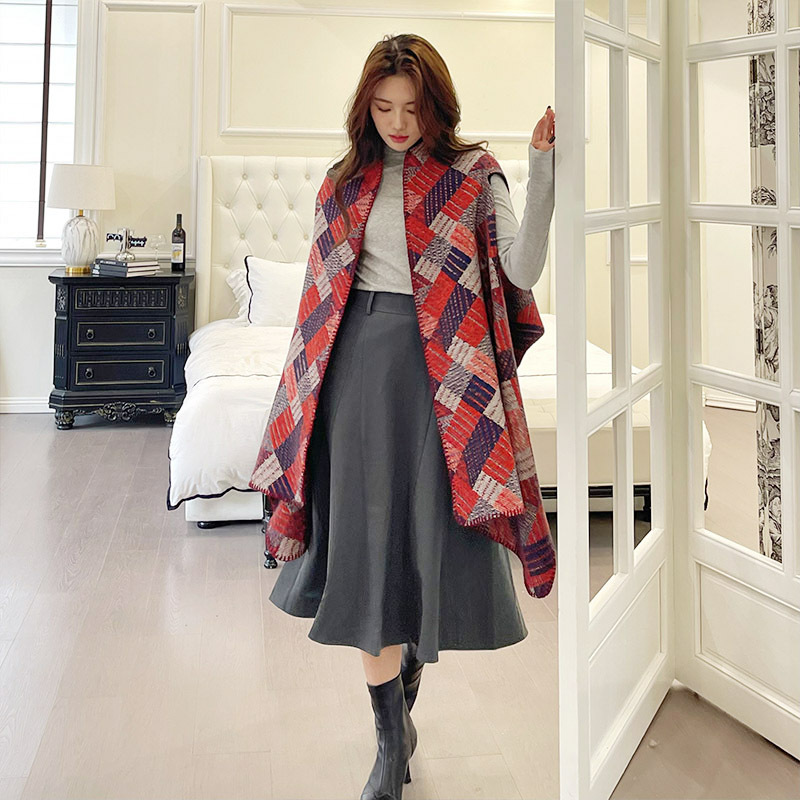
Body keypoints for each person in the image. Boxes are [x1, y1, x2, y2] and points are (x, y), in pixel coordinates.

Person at [254, 33, 555, 800]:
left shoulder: (472, 176)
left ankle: (407, 689)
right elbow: (318, 302)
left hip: (448, 379)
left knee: (426, 546)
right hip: (356, 373)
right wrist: (299, 405)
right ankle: (391, 748)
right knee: (365, 557)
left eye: (412, 109)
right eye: (383, 107)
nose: (397, 123)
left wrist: (543, 171)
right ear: (366, 107)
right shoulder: (344, 182)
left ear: (436, 107)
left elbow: (520, 270)